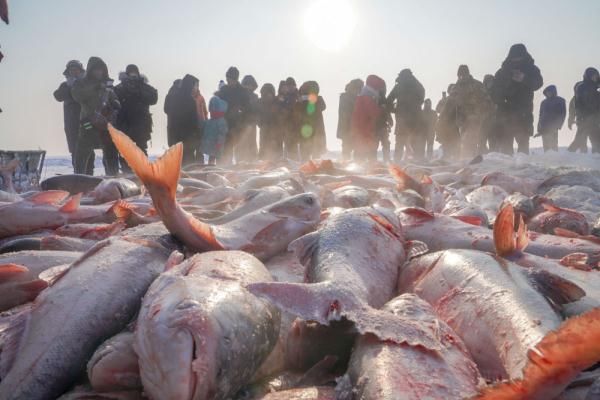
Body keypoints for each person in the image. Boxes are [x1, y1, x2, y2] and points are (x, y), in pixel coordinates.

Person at [490, 43, 543, 155]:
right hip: (504, 114)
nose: (517, 60)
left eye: (519, 57)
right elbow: (493, 93)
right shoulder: (502, 72)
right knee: (505, 149)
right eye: (515, 58)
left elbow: (538, 83)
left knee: (523, 148)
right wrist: (506, 90)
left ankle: (523, 170)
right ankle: (506, 170)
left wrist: (524, 79)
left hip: (523, 112)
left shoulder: (531, 69)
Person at [71, 56, 121, 176]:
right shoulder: (81, 83)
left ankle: (113, 179)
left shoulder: (108, 84)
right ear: (90, 70)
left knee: (111, 153)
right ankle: (79, 180)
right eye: (96, 69)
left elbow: (115, 99)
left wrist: (115, 103)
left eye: (101, 69)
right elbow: (77, 95)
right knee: (82, 155)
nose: (99, 72)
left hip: (105, 125)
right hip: (88, 123)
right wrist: (95, 87)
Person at [114, 64, 158, 171]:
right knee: (124, 150)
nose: (133, 76)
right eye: (131, 74)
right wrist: (126, 89)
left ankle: (143, 171)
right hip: (124, 124)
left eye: (135, 74)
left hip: (141, 125)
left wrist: (139, 91)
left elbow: (154, 98)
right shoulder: (120, 87)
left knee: (141, 149)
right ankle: (126, 171)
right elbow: (113, 99)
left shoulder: (144, 86)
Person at [451, 65, 493, 158]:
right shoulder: (456, 87)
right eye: (460, 75)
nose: (461, 77)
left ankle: (473, 159)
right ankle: (468, 160)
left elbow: (487, 101)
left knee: (472, 140)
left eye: (463, 75)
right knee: (465, 141)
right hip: (462, 120)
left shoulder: (477, 85)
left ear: (467, 74)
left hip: (475, 118)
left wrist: (482, 114)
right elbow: (451, 103)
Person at [386, 69, 425, 161]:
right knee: (415, 142)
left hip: (403, 118)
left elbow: (388, 101)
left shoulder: (399, 86)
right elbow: (421, 100)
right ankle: (418, 162)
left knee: (400, 142)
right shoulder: (418, 86)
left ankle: (397, 163)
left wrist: (394, 110)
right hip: (415, 118)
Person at [53, 60, 85, 171]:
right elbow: (57, 96)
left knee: (88, 149)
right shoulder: (65, 85)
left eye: (76, 70)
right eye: (71, 70)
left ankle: (88, 176)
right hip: (71, 124)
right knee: (75, 151)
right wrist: (70, 87)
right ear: (68, 72)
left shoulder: (86, 84)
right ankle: (77, 174)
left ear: (81, 71)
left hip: (87, 123)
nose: (74, 72)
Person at [163, 74, 201, 165]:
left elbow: (166, 110)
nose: (196, 88)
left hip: (174, 136)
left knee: (176, 162)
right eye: (195, 86)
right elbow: (194, 121)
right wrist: (197, 135)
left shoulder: (171, 96)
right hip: (187, 138)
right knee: (188, 164)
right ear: (190, 86)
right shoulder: (190, 100)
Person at [216, 67, 250, 164]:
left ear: (235, 79)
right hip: (226, 125)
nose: (228, 81)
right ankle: (226, 167)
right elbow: (217, 107)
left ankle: (241, 170)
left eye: (230, 79)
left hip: (239, 126)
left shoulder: (243, 92)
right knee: (227, 151)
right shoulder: (223, 91)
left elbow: (248, 109)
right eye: (227, 78)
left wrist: (241, 114)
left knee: (241, 151)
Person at [351, 75, 385, 162]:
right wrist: (383, 109)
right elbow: (374, 112)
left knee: (360, 151)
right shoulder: (368, 97)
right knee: (368, 152)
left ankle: (359, 170)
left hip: (361, 128)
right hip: (365, 128)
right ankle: (368, 170)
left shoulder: (363, 95)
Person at [293, 81, 327, 161]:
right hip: (305, 131)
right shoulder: (300, 101)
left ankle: (313, 169)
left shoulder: (318, 100)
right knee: (306, 154)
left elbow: (322, 107)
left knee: (315, 156)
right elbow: (297, 113)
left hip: (314, 131)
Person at [572, 67, 600, 153]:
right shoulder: (583, 87)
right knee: (580, 140)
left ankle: (596, 158)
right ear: (588, 76)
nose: (595, 78)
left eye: (596, 76)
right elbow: (586, 103)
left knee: (596, 140)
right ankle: (566, 156)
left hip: (593, 119)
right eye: (593, 76)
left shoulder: (593, 88)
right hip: (586, 118)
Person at [337, 79, 363, 160]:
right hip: (347, 128)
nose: (360, 91)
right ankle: (347, 167)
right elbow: (346, 114)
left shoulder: (349, 97)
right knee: (347, 150)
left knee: (354, 149)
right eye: (359, 88)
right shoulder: (346, 98)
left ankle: (354, 167)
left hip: (351, 128)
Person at [200, 90, 228, 165]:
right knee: (211, 157)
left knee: (218, 157)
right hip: (211, 145)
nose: (211, 112)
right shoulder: (211, 120)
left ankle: (219, 167)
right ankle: (211, 167)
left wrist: (219, 143)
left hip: (217, 144)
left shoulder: (220, 121)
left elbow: (222, 133)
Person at [536, 85, 566, 152]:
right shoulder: (543, 102)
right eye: (547, 92)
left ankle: (554, 160)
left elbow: (562, 114)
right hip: (544, 127)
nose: (548, 93)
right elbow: (540, 116)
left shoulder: (560, 101)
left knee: (553, 145)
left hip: (553, 126)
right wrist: (539, 128)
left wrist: (558, 126)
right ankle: (547, 160)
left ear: (553, 92)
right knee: (546, 146)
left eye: (549, 92)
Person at [257, 83, 283, 160]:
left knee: (277, 153)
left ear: (273, 93)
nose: (268, 96)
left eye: (270, 94)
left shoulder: (278, 102)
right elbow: (256, 115)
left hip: (276, 131)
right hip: (264, 130)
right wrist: (260, 123)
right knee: (263, 151)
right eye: (266, 94)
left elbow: (282, 114)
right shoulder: (260, 102)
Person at [237, 75, 259, 162]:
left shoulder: (255, 96)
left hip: (252, 124)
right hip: (242, 124)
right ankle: (240, 161)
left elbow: (257, 109)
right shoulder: (240, 95)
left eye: (250, 84)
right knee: (241, 144)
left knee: (252, 143)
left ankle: (253, 160)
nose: (248, 86)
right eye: (247, 84)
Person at [436, 95, 460, 160]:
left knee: (455, 143)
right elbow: (438, 109)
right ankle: (446, 157)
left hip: (453, 126)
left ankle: (455, 157)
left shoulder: (458, 102)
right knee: (447, 144)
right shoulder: (446, 101)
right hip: (446, 127)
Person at [281, 77, 300, 160]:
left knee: (294, 146)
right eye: (288, 86)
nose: (290, 88)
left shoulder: (299, 95)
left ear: (294, 86)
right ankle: (287, 162)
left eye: (292, 86)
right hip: (287, 126)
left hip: (296, 125)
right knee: (287, 145)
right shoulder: (284, 97)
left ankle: (295, 162)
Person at [481, 74, 498, 152]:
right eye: (488, 81)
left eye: (491, 81)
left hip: (493, 122)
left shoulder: (496, 93)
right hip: (483, 121)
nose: (490, 83)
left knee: (493, 143)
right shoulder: (480, 93)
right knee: (482, 142)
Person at [164, 79, 181, 146]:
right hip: (179, 122)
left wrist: (170, 113)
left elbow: (165, 109)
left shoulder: (169, 95)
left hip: (171, 121)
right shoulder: (180, 94)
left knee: (172, 143)